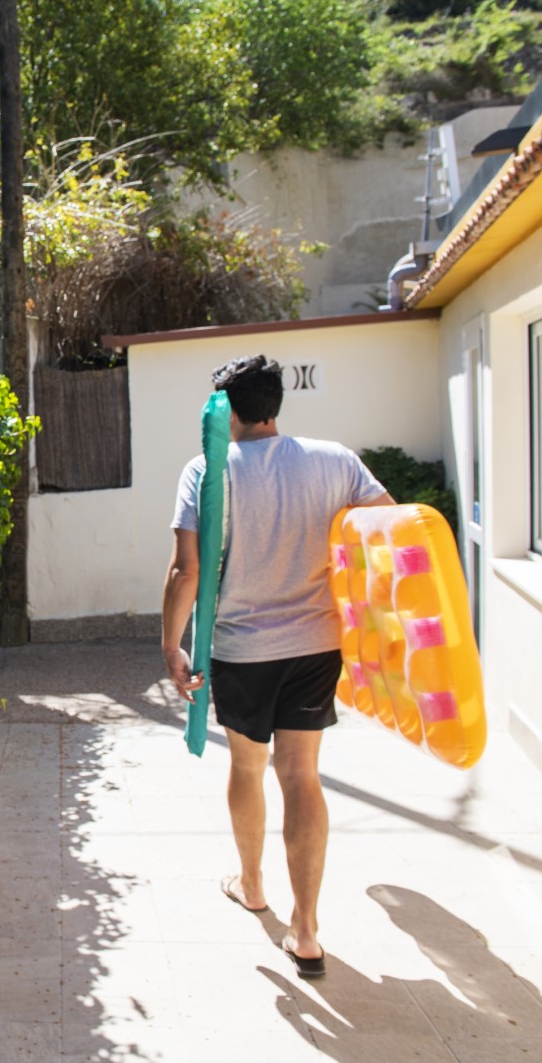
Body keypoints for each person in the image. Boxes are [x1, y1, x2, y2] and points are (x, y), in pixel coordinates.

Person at [160, 355, 394, 978]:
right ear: (275, 404)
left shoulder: (205, 470)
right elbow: (388, 528)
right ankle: (308, 929)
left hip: (241, 649)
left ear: (225, 410)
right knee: (302, 776)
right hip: (317, 646)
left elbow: (187, 569)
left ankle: (254, 885)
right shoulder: (335, 459)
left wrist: (171, 646)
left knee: (247, 765)